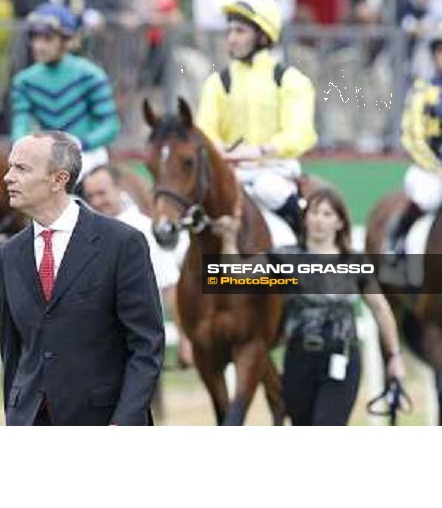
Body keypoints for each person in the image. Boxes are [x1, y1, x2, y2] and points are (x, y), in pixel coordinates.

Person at [0, 132, 164, 425]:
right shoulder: (8, 254)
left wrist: (125, 421)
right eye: (10, 166)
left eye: (21, 168)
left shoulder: (123, 243)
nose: (8, 177)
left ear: (58, 179)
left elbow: (146, 344)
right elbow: (12, 352)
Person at [214, 188, 405, 426]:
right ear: (305, 219)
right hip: (298, 360)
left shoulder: (354, 262)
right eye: (314, 212)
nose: (319, 220)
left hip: (341, 358)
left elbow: (380, 308)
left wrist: (394, 357)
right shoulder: (286, 258)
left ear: (339, 222)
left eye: (327, 214)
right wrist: (229, 239)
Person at [196, 0, 317, 235]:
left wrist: (260, 150)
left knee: (269, 188)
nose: (231, 39)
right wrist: (217, 148)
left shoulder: (291, 80)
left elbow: (301, 133)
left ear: (262, 36)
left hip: (274, 170)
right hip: (229, 172)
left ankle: (305, 242)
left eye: (240, 31)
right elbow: (204, 128)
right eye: (229, 31)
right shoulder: (217, 82)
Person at [82, 164, 193, 366]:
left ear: (119, 188)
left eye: (102, 193)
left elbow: (169, 288)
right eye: (91, 196)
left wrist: (185, 340)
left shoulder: (144, 231)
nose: (97, 201)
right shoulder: (82, 232)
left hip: (138, 342)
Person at [9, 3, 120, 183]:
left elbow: (110, 125)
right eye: (35, 37)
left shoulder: (91, 75)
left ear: (66, 40)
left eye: (47, 38)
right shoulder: (24, 81)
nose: (39, 45)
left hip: (88, 156)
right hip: (47, 157)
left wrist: (81, 143)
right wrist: (23, 144)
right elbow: (20, 124)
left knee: (96, 193)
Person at [389, 25, 442, 256]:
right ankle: (397, 244)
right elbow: (412, 136)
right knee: (427, 197)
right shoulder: (422, 90)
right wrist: (437, 167)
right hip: (429, 170)